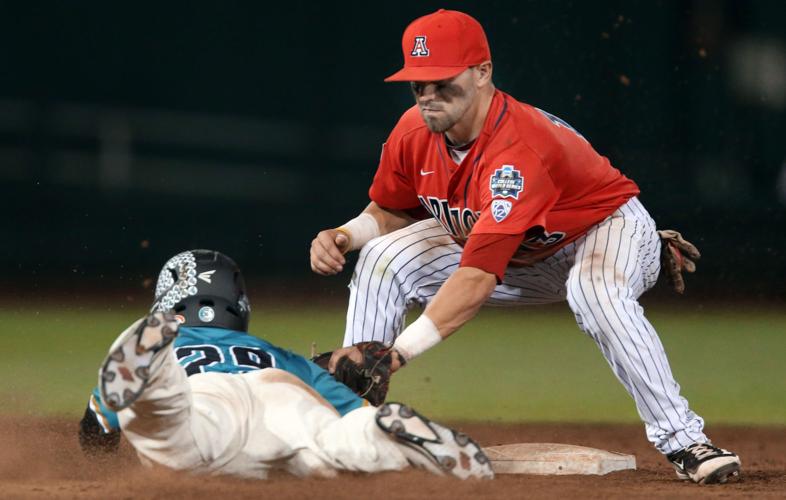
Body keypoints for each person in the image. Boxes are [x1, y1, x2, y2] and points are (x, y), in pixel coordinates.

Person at [309, 9, 740, 485]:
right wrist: (346, 235)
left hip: (603, 232)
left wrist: (395, 354)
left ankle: (685, 440)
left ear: (482, 72)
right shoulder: (414, 132)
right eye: (418, 84)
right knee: (381, 256)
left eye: (442, 81)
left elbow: (475, 278)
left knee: (595, 291)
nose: (428, 95)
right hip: (521, 250)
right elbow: (391, 208)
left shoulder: (517, 149)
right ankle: (353, 423)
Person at [79, 249, 493, 480]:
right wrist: (365, 412)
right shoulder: (275, 352)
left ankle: (154, 380)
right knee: (330, 445)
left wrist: (101, 462)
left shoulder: (176, 344)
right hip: (279, 387)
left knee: (164, 429)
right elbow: (351, 404)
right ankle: (379, 435)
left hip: (205, 402)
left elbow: (96, 429)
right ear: (240, 305)